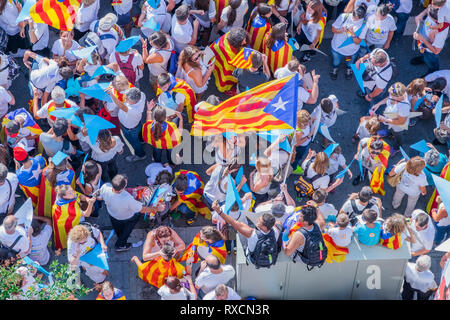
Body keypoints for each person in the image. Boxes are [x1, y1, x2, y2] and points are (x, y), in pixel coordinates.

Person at [212, 200, 282, 267]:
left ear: (264, 227)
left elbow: (233, 222)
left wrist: (219, 211)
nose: (257, 220)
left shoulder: (251, 233)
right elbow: (279, 223)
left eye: (259, 221)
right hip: (269, 258)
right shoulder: (276, 230)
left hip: (252, 259)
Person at [97, 174, 155, 251]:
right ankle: (120, 245)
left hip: (112, 214)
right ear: (122, 188)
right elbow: (141, 209)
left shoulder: (105, 186)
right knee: (129, 227)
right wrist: (156, 208)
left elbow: (99, 197)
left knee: (118, 228)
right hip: (127, 217)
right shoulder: (127, 198)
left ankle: (119, 236)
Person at [106, 86, 146, 163]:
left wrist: (111, 94)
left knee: (134, 142)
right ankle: (142, 140)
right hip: (137, 123)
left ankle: (140, 155)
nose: (125, 99)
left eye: (127, 99)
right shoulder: (141, 95)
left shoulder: (132, 110)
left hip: (130, 129)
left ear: (133, 102)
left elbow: (121, 106)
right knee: (140, 134)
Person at [330, 3, 368, 80]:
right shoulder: (344, 17)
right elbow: (333, 29)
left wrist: (353, 34)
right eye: (354, 16)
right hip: (337, 48)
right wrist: (341, 30)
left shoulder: (364, 24)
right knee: (336, 62)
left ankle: (348, 69)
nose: (355, 19)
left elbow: (358, 42)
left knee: (349, 62)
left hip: (351, 51)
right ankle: (335, 69)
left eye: (357, 18)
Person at [52, 184, 96, 250]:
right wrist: (91, 204)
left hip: (62, 218)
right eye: (70, 193)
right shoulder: (67, 207)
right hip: (64, 224)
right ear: (64, 196)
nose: (73, 193)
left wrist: (88, 200)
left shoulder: (64, 195)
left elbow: (80, 196)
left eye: (72, 190)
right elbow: (86, 214)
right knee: (68, 237)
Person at [371, 82, 411, 153]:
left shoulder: (404, 106)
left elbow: (401, 122)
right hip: (390, 120)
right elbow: (388, 98)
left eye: (392, 96)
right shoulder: (394, 94)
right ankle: (389, 133)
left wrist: (385, 120)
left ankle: (397, 148)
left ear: (399, 96)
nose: (390, 96)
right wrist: (378, 104)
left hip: (398, 126)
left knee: (398, 136)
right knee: (391, 129)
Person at [210, 27, 249, 95]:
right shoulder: (232, 56)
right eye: (243, 41)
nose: (245, 42)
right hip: (222, 61)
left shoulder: (229, 35)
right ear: (237, 43)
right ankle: (226, 89)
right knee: (226, 75)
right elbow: (230, 70)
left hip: (215, 57)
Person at [142, 101, 183, 166]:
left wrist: (149, 110)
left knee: (156, 152)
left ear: (154, 116)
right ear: (165, 117)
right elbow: (179, 133)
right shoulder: (171, 126)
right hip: (169, 144)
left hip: (156, 144)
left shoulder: (149, 125)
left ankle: (157, 163)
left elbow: (148, 121)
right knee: (171, 154)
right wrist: (181, 119)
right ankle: (172, 164)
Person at [411, 5, 449, 74]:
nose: (428, 8)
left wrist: (422, 38)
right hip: (423, 43)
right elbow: (429, 7)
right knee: (425, 55)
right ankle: (424, 59)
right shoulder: (437, 11)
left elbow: (435, 51)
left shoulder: (440, 34)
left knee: (432, 61)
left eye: (428, 11)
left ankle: (433, 72)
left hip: (430, 50)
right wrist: (421, 15)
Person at [36, 152, 76, 219]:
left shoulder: (46, 172)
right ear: (65, 164)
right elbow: (72, 186)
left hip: (49, 196)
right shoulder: (70, 173)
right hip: (62, 196)